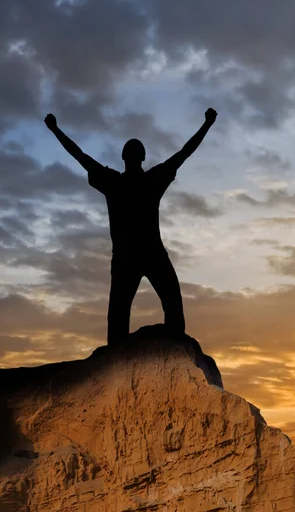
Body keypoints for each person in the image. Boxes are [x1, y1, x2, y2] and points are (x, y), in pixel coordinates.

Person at [44, 108, 218, 345]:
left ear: (124, 157)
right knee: (168, 307)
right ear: (141, 158)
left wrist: (55, 130)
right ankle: (170, 351)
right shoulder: (150, 180)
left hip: (131, 257)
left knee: (122, 316)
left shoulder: (115, 181)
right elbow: (184, 153)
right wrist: (207, 124)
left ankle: (161, 355)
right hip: (146, 254)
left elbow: (79, 155)